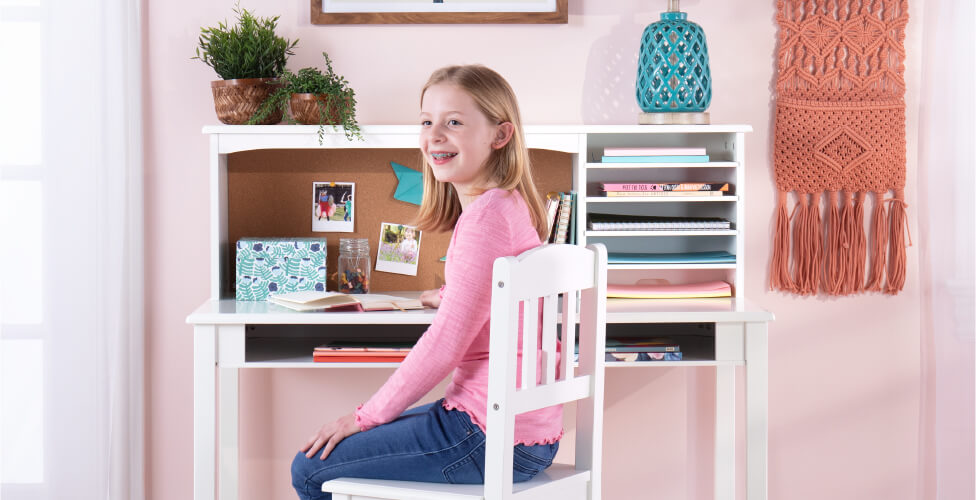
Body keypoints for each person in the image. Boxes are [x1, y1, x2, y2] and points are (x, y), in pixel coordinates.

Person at [291, 65, 557, 500]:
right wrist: (452, 295)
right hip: (524, 433)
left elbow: (445, 344)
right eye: (427, 121)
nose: (434, 136)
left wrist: (364, 416)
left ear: (500, 135)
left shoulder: (484, 221)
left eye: (454, 122)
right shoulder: (509, 205)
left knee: (309, 469)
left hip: (486, 436)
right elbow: (495, 291)